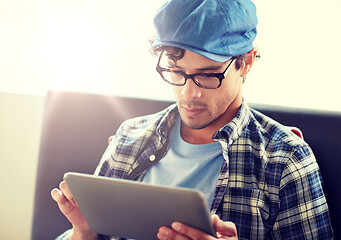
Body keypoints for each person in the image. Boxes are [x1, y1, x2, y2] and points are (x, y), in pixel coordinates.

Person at [51, 0, 334, 239]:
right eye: (176, 71)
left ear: (245, 62)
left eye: (208, 74)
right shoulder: (130, 138)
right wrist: (83, 234)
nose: (189, 93)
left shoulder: (285, 159)